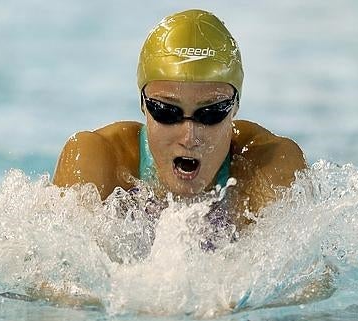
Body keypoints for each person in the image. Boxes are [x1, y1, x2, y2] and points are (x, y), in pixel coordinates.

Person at [53, 9, 306, 231]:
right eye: (167, 112)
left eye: (210, 114)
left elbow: (308, 281)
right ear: (143, 104)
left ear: (236, 107)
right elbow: (54, 279)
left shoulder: (267, 165)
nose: (189, 137)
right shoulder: (99, 159)